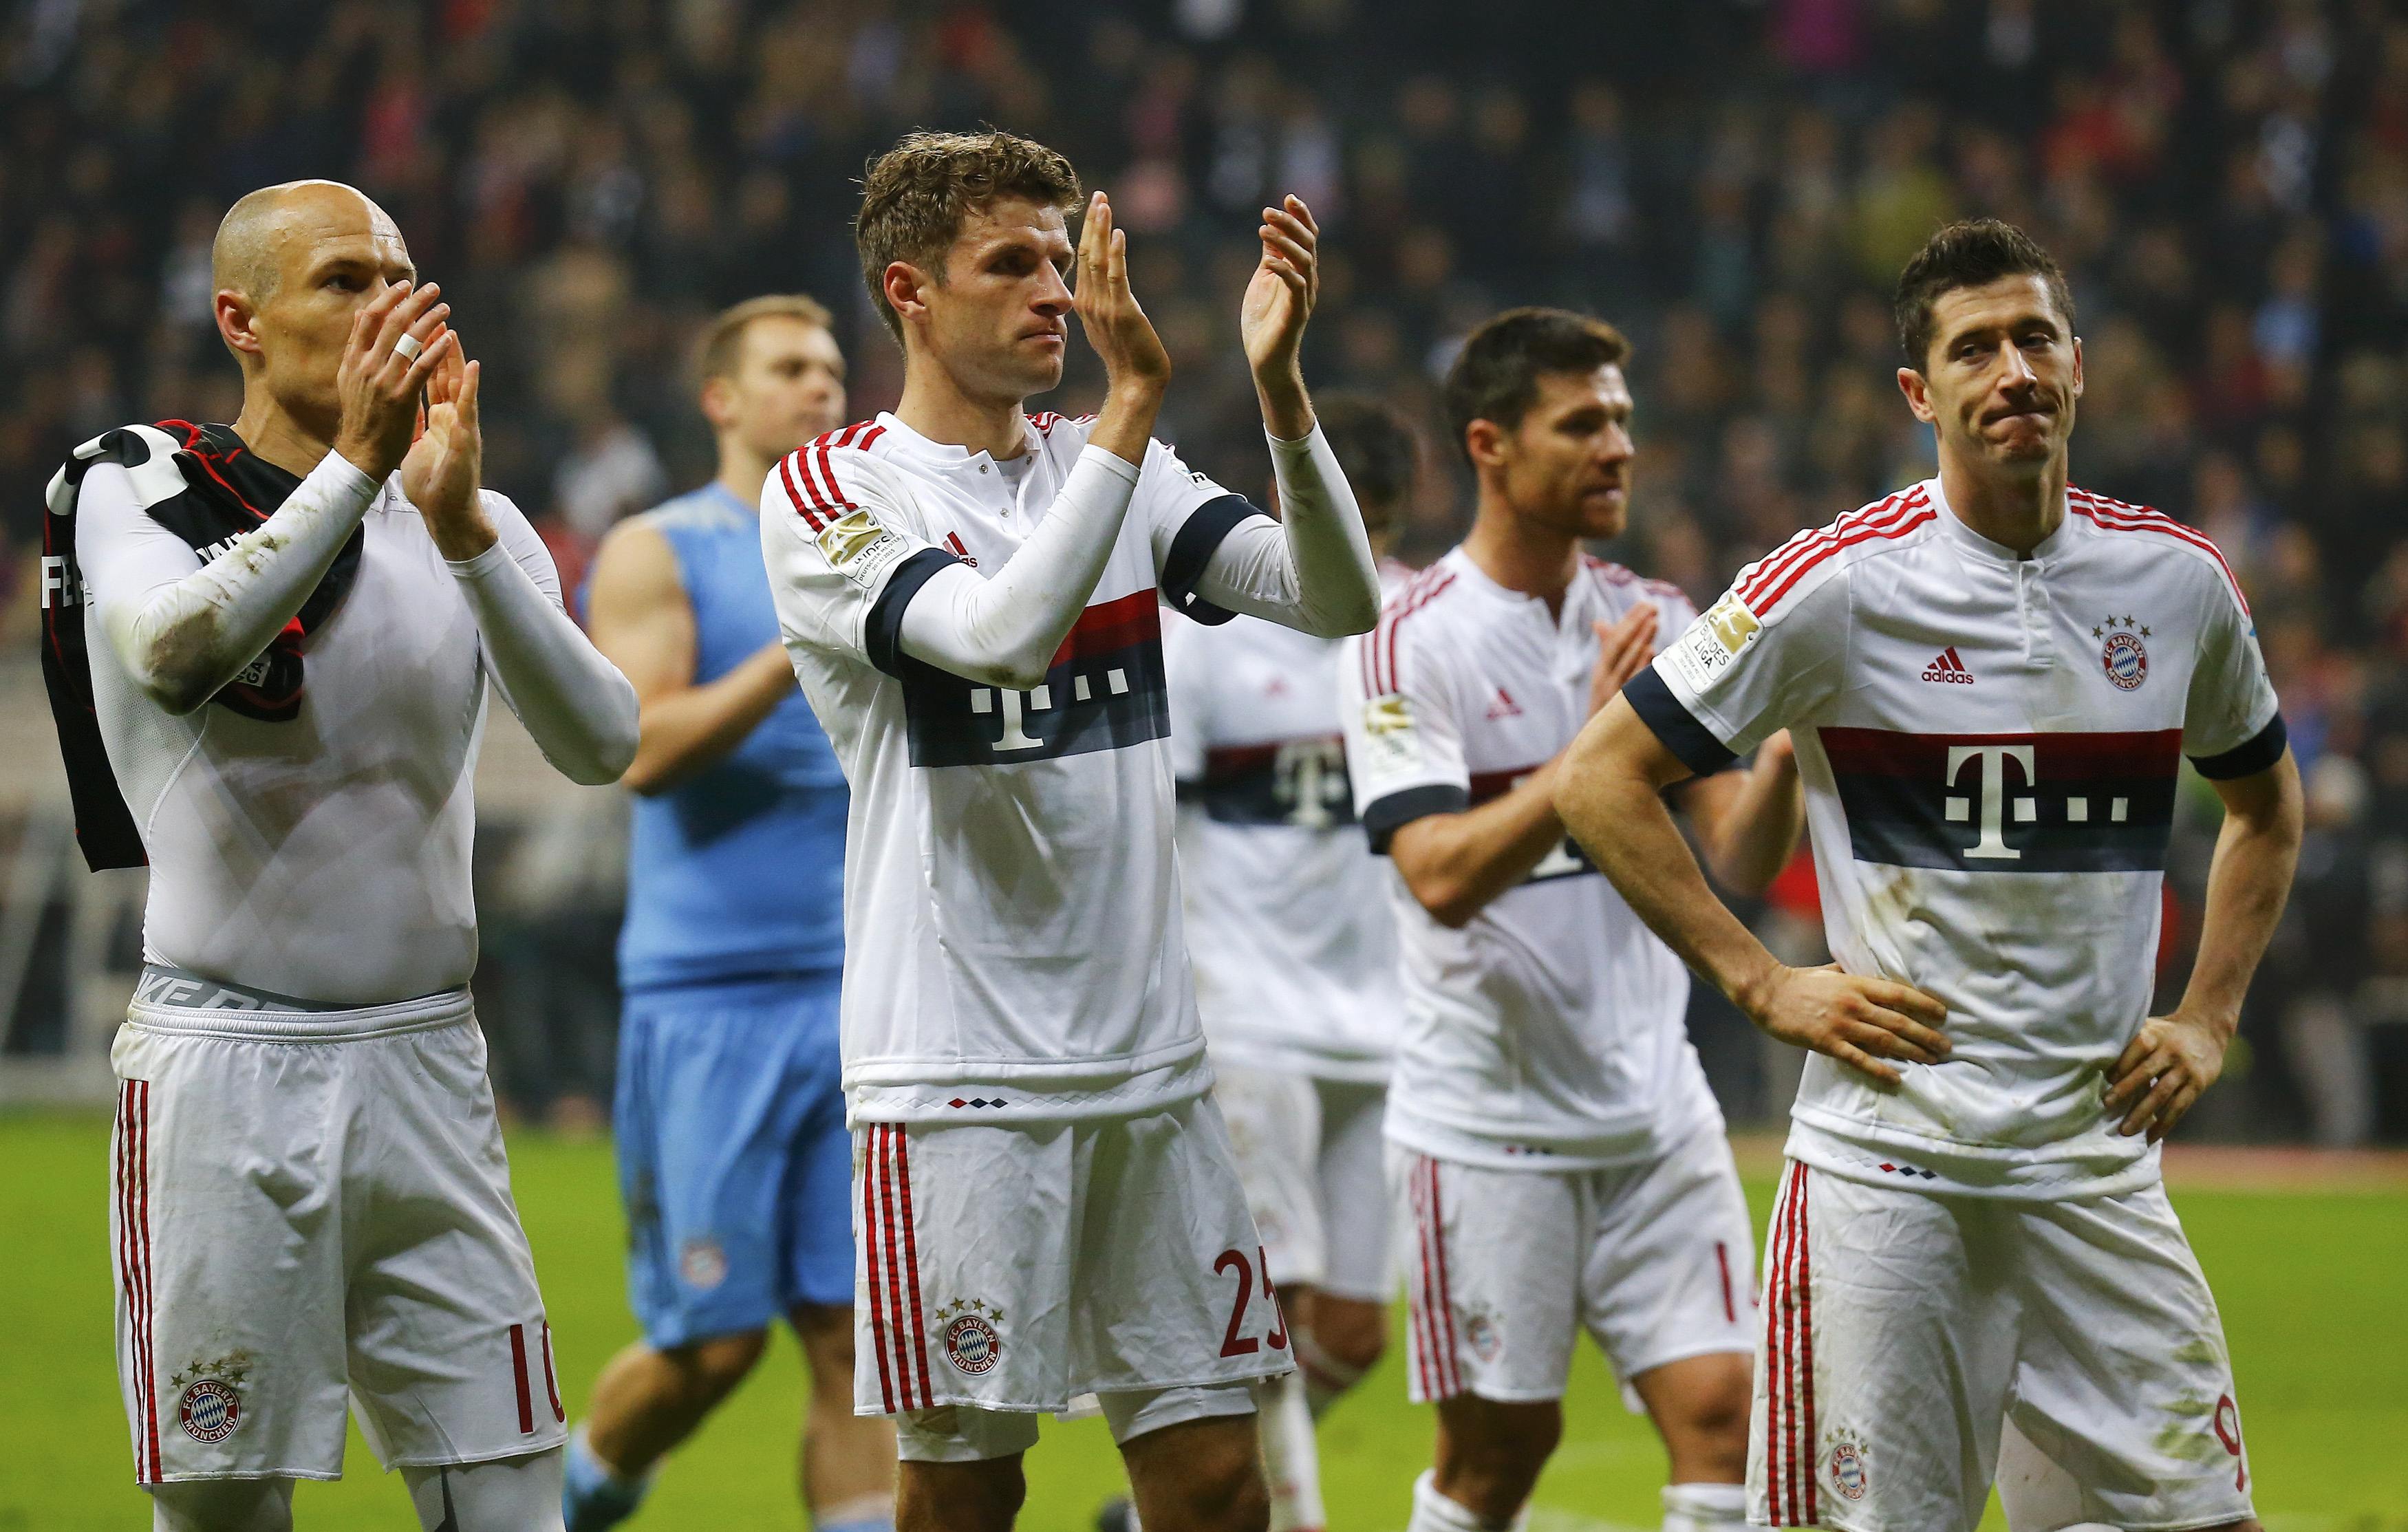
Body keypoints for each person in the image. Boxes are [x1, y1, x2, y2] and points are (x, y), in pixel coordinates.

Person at [1557, 220, 2301, 1532]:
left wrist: (2208, 1014)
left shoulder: (2179, 584)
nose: (2012, 369)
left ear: (2080, 365)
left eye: (2035, 338)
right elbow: (1597, 780)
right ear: (1921, 393)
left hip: (2094, 1173)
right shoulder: (1835, 586)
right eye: (1975, 348)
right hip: (1894, 1179)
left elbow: (2265, 810)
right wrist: (1760, 982)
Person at [759, 131, 1379, 1532]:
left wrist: (1280, 397)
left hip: (1151, 1073)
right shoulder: (834, 493)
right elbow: (994, 636)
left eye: (1062, 258)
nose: (1055, 291)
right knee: (969, 1489)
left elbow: (1334, 599)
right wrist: (1133, 407)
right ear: (909, 292)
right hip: (962, 1075)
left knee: (1218, 1480)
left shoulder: (1118, 476)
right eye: (1013, 263)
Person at [39, 180, 638, 1531]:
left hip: (430, 1062)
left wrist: (471, 533)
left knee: (512, 1502)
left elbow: (605, 740)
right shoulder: (138, 478)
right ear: (239, 320)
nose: (387, 307)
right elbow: (176, 650)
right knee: (227, 1510)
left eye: (400, 276)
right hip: (229, 1068)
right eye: (344, 282)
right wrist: (355, 469)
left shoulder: (468, 515)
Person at [1336, 308, 1805, 1532]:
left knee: (1726, 1420)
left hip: (1655, 1112)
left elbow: (1738, 852)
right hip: (1487, 1128)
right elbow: (1437, 873)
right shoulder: (1403, 639)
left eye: (1625, 422)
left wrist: (1795, 755)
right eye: (1583, 423)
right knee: (1498, 1459)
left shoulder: (1654, 609)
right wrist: (1585, 755)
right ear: (1490, 445)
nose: (1619, 449)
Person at [566, 295, 895, 1532]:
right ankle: (577, 1502)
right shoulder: (663, 548)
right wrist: (796, 649)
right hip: (709, 1006)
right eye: (789, 367)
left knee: (852, 1335)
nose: (821, 385)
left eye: (829, 365)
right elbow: (641, 748)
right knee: (712, 1351)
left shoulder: (870, 548)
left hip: (857, 1000)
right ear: (722, 398)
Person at [1161, 395, 1424, 1532]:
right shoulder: (1211, 631)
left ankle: (1193, 1486)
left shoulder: (1423, 627)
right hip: (1252, 1008)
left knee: (1354, 1330)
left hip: (1393, 1020)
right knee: (1278, 1302)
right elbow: (1157, 824)